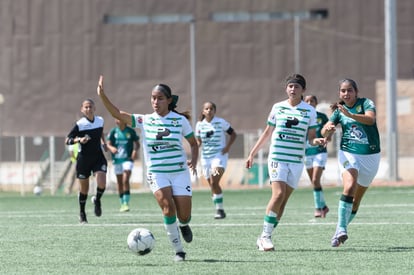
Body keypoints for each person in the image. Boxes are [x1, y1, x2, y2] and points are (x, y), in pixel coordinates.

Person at [96, 75, 198, 262]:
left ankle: (184, 224)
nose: (155, 101)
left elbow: (193, 143)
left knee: (184, 214)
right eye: (153, 98)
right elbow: (117, 113)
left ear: (169, 100)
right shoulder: (144, 120)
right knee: (168, 208)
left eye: (159, 98)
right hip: (157, 173)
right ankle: (179, 251)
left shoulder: (180, 121)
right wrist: (102, 96)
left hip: (179, 172)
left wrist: (195, 161)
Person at [245, 74, 326, 251]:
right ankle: (265, 237)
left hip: (296, 160)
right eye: (290, 86)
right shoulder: (278, 107)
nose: (292, 89)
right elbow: (267, 133)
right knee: (278, 194)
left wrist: (317, 141)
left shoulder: (309, 111)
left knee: (283, 202)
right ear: (286, 89)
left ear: (303, 90)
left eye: (296, 87)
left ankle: (264, 236)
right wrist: (252, 153)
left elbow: (311, 138)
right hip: (277, 158)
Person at [321, 78, 381, 247]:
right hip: (348, 153)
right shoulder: (339, 111)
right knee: (349, 185)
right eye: (343, 91)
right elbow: (325, 130)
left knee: (356, 200)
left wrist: (351, 115)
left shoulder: (366, 103)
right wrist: (327, 130)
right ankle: (341, 228)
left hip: (371, 155)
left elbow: (370, 120)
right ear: (339, 93)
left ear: (356, 92)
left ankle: (340, 230)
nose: (346, 94)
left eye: (349, 90)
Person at [65, 99, 108, 224]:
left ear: (94, 108)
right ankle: (82, 213)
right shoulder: (80, 124)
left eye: (90, 107)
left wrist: (104, 142)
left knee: (102, 183)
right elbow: (68, 140)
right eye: (86, 107)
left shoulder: (100, 120)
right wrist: (79, 140)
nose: (88, 109)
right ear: (82, 109)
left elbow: (101, 133)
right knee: (84, 189)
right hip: (84, 159)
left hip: (98, 157)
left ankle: (97, 200)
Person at [195, 101, 237, 219]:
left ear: (214, 111)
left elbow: (233, 134)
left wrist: (227, 147)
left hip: (219, 155)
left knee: (214, 181)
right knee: (212, 185)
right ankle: (219, 209)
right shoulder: (199, 125)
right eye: (206, 109)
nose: (209, 111)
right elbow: (198, 141)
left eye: (211, 109)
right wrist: (194, 148)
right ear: (203, 111)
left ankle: (220, 210)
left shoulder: (221, 122)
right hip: (205, 158)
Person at [303, 95, 331, 218]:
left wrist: (328, 136)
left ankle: (318, 208)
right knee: (314, 182)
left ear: (316, 103)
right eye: (307, 101)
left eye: (312, 101)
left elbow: (328, 130)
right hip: (307, 153)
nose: (309, 103)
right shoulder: (302, 117)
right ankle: (323, 207)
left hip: (320, 151)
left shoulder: (322, 117)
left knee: (315, 180)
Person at [106, 119, 140, 212]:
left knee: (125, 179)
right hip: (117, 160)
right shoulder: (113, 131)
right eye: (116, 119)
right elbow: (108, 144)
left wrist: (134, 151)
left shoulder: (130, 131)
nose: (117, 120)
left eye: (119, 118)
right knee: (120, 182)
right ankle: (122, 203)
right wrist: (111, 147)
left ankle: (126, 202)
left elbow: (137, 144)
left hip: (127, 159)